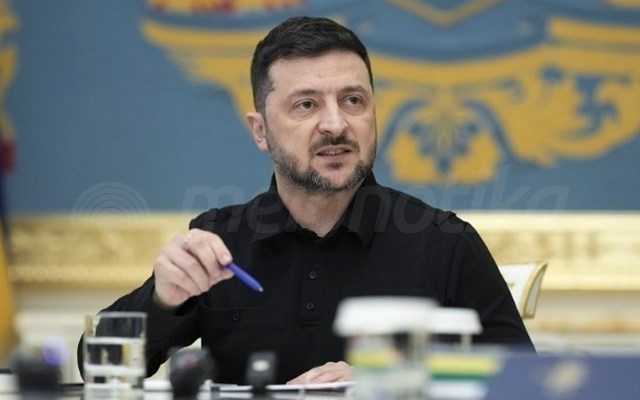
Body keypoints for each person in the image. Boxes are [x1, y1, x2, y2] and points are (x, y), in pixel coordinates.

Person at [78, 16, 533, 384]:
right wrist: (162, 300)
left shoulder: (445, 242)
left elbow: (526, 382)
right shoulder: (220, 241)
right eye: (306, 105)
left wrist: (399, 379)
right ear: (260, 131)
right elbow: (96, 366)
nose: (335, 124)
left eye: (352, 100)